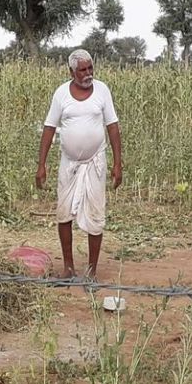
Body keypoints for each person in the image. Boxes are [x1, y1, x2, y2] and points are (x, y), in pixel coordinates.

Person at [36, 49, 122, 280]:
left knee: (96, 216)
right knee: (63, 214)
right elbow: (49, 128)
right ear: (71, 72)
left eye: (90, 68)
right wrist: (41, 165)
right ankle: (68, 267)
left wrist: (118, 163)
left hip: (96, 162)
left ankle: (92, 271)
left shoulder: (102, 90)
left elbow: (112, 126)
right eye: (82, 70)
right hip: (69, 163)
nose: (88, 73)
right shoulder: (61, 94)